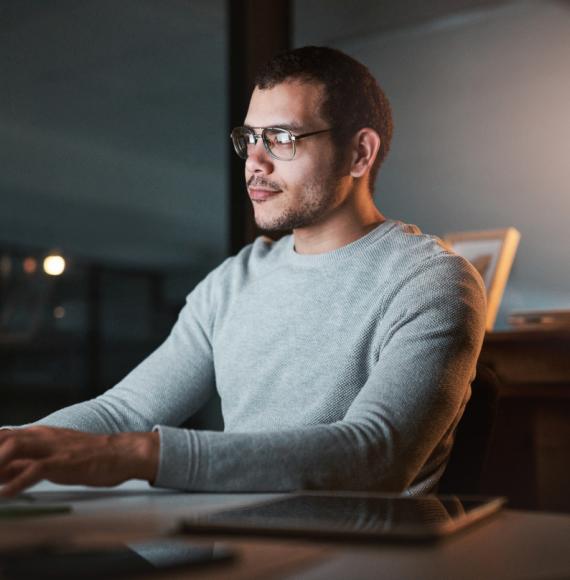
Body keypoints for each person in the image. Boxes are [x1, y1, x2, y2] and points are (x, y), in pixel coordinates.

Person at [0, 46, 486, 498]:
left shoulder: (432, 281)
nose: (254, 161)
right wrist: (15, 443)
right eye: (250, 138)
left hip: (354, 554)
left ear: (359, 153)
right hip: (231, 535)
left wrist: (140, 455)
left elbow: (376, 454)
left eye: (281, 139)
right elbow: (124, 411)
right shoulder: (235, 281)